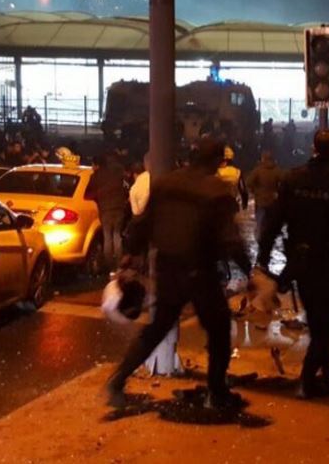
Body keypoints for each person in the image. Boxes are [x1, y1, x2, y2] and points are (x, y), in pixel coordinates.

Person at [106, 138, 251, 410]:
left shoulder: (166, 183)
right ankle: (217, 392)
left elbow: (142, 223)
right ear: (216, 161)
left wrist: (131, 253)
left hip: (167, 267)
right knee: (219, 330)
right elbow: (231, 239)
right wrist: (248, 270)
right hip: (200, 271)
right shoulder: (216, 190)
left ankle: (117, 380)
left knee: (157, 328)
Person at [258, 129, 329, 398]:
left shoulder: (293, 178)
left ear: (313, 148)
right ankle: (306, 380)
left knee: (316, 318)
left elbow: (273, 222)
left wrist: (263, 258)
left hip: (300, 262)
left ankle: (324, 366)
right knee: (325, 322)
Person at [85, 152, 129, 272]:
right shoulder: (116, 174)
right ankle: (119, 264)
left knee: (107, 237)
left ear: (97, 165)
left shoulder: (95, 176)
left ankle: (110, 266)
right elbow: (125, 188)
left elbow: (88, 193)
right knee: (117, 235)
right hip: (119, 208)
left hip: (105, 209)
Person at [245, 150, 283, 244]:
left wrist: (254, 191)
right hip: (272, 201)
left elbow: (248, 182)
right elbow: (284, 182)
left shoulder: (258, 170)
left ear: (263, 159)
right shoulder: (277, 170)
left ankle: (260, 239)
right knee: (270, 221)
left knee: (260, 221)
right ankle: (269, 239)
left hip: (260, 200)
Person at [129, 153, 152, 218]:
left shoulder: (134, 189)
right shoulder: (152, 176)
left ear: (134, 175)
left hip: (146, 217)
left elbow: (136, 212)